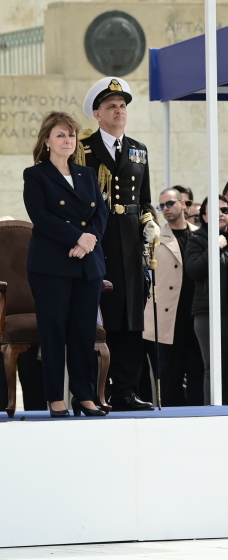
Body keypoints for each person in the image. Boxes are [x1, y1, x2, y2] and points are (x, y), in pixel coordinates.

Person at [23, 110, 109, 417]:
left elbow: (101, 212)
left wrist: (88, 242)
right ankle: (55, 398)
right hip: (51, 266)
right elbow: (41, 216)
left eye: (71, 135)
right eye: (60, 135)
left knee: (83, 330)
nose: (67, 140)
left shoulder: (86, 174)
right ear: (47, 140)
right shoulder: (35, 175)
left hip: (87, 264)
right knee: (54, 330)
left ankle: (84, 396)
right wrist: (76, 238)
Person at [79, 77, 155, 411]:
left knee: (130, 321)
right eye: (111, 106)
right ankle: (94, 392)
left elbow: (146, 200)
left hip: (130, 249)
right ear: (97, 113)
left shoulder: (138, 150)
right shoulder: (84, 150)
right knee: (99, 321)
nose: (119, 111)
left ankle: (125, 390)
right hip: (97, 245)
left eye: (123, 106)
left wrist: (149, 222)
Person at [184, 195, 228, 405]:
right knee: (213, 369)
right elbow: (194, 270)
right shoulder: (197, 240)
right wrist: (215, 247)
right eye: (214, 211)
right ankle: (212, 415)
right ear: (204, 216)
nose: (220, 213)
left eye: (224, 209)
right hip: (209, 313)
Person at [143, 187, 202, 407]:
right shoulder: (155, 237)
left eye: (170, 203)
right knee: (169, 374)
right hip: (168, 317)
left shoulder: (200, 233)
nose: (165, 209)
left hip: (196, 313)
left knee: (197, 370)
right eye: (161, 206)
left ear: (183, 204)